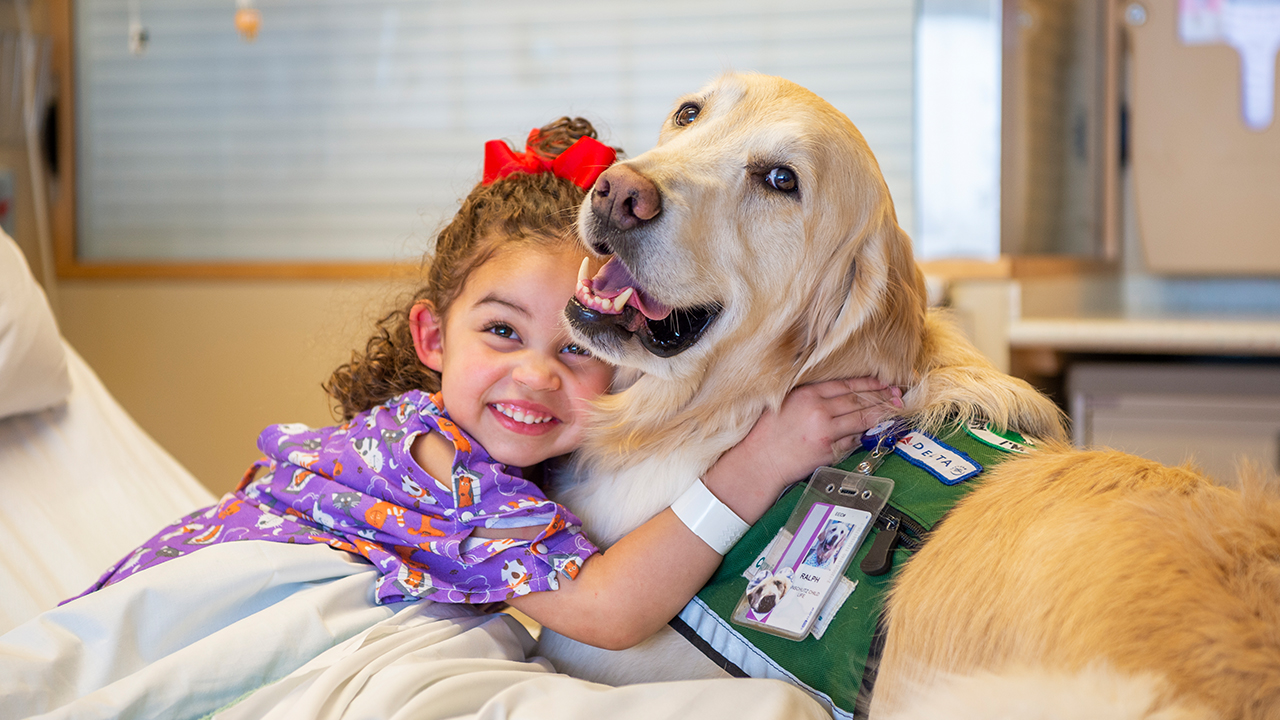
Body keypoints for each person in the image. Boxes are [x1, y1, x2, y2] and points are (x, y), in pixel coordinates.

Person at [1, 117, 899, 719]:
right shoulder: (436, 455)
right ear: (434, 335)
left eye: (577, 347)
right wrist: (765, 457)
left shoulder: (515, 458)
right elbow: (604, 608)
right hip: (262, 597)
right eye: (502, 331)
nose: (536, 375)